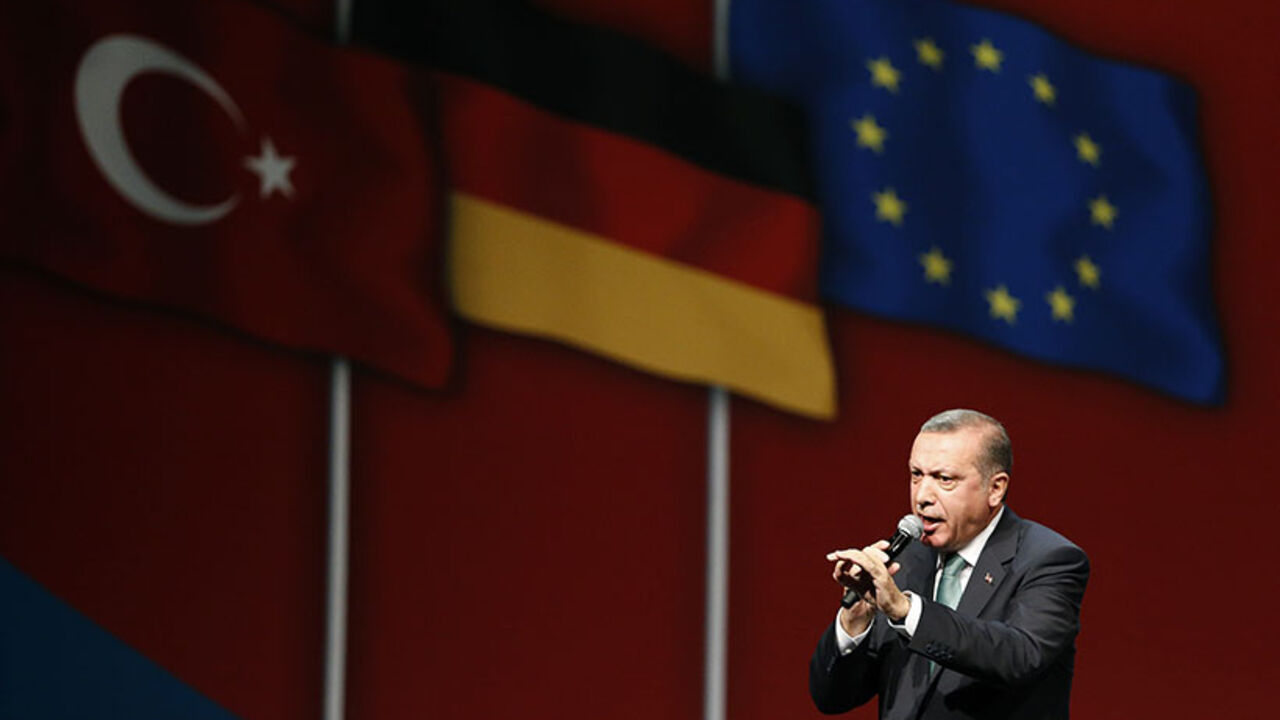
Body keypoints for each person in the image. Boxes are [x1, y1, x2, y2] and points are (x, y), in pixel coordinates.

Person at [811, 409, 1089, 719]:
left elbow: (1020, 656)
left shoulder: (1048, 559)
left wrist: (906, 612)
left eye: (944, 479)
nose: (922, 497)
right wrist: (855, 619)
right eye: (916, 475)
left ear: (995, 488)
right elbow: (831, 698)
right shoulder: (904, 561)